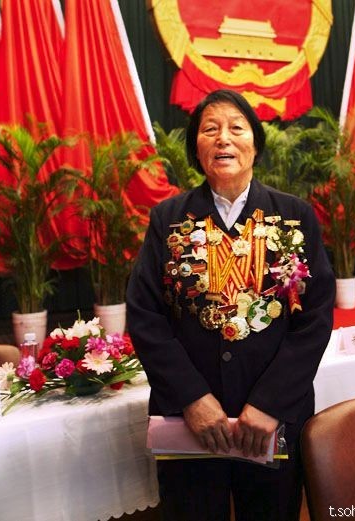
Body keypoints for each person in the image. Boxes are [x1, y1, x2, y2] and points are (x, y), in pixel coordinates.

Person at [126, 89, 335, 521]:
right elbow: (146, 318)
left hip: (273, 421)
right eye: (210, 129)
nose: (223, 138)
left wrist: (270, 403)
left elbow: (314, 320)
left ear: (255, 144)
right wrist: (192, 399)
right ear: (196, 148)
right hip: (190, 422)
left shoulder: (295, 217)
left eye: (236, 128)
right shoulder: (168, 220)